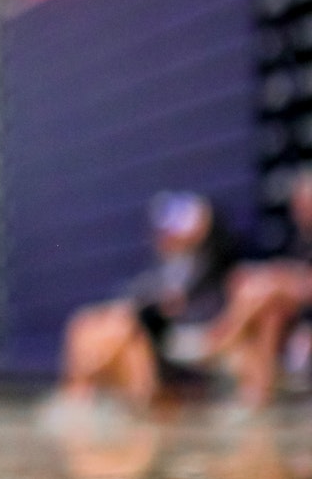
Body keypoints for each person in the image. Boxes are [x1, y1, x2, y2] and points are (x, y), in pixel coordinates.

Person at [56, 192, 240, 412]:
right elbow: (139, 297)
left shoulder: (209, 267)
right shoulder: (160, 271)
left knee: (123, 331)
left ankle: (84, 393)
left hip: (188, 332)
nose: (167, 234)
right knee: (85, 321)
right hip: (154, 330)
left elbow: (185, 304)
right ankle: (80, 393)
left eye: (176, 227)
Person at [203, 171, 312, 408]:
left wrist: (281, 277)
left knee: (265, 290)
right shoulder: (299, 238)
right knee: (268, 312)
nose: (300, 209)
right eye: (298, 203)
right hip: (292, 312)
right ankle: (259, 394)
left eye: (305, 203)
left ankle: (223, 338)